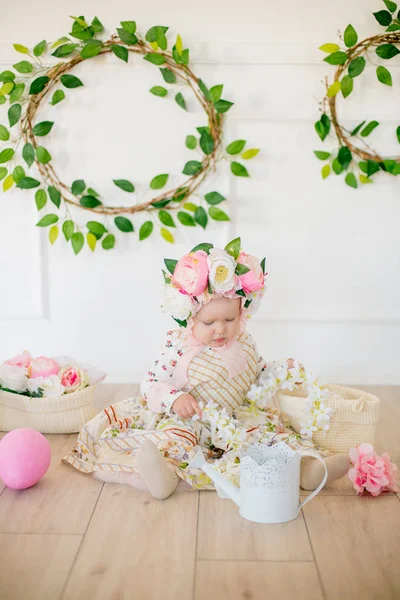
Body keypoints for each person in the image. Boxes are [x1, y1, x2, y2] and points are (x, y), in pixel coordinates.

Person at [63, 238, 349, 498]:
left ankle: (306, 468)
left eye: (229, 319)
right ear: (190, 320)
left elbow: (258, 373)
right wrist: (175, 398)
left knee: (271, 437)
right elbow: (150, 384)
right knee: (177, 441)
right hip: (190, 419)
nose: (220, 330)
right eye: (209, 323)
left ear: (242, 314)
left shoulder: (244, 342)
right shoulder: (178, 347)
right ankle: (164, 475)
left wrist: (281, 369)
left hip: (234, 418)